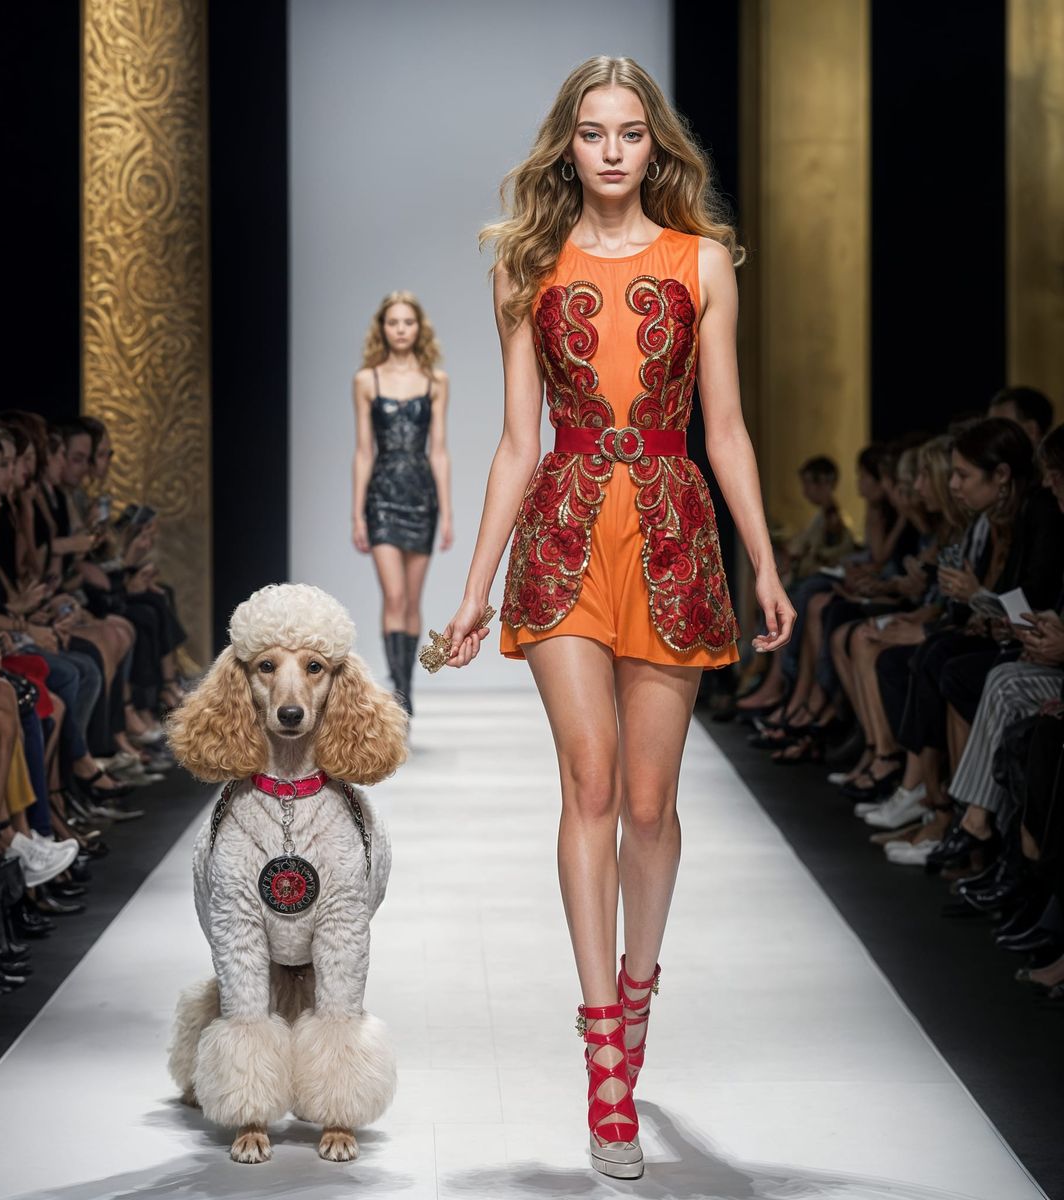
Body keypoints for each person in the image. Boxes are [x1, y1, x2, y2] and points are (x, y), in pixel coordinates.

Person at [437, 56, 794, 1178]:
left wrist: (765, 562)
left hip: (675, 533)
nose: (610, 151)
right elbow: (517, 441)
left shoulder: (702, 261)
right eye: (592, 133)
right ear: (568, 143)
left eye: (630, 133)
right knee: (589, 786)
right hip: (564, 531)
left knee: (650, 803)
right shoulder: (526, 264)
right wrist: (474, 585)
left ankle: (638, 991)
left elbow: (725, 427)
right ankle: (604, 1060)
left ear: (655, 144)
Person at [351, 290, 453, 715]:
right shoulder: (366, 380)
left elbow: (439, 451)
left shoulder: (435, 381)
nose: (400, 330)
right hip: (382, 498)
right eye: (393, 322)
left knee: (412, 600)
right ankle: (399, 694)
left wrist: (447, 513)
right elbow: (363, 451)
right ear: (382, 328)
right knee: (393, 597)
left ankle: (406, 691)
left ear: (418, 328)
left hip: (421, 496)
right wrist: (357, 515)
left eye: (407, 322)